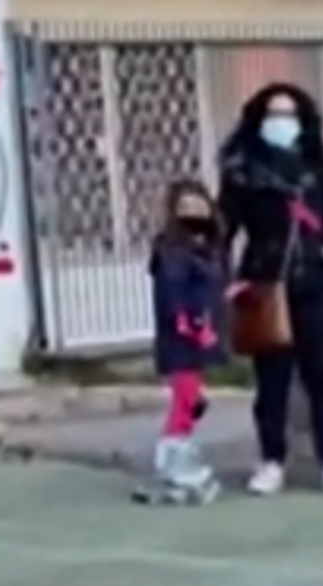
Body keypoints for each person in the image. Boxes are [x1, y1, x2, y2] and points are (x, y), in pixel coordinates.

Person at [216, 81, 323, 497]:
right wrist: (226, 280)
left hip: (314, 281)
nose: (282, 122)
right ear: (259, 119)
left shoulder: (316, 168)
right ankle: (271, 460)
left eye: (289, 114)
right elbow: (224, 229)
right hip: (265, 282)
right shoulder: (244, 170)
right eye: (274, 114)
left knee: (322, 374)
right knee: (271, 381)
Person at [134, 177, 225, 506]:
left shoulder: (207, 247)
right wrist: (192, 324)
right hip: (181, 340)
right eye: (185, 206)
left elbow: (211, 290)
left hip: (196, 340)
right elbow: (175, 295)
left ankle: (177, 460)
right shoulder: (173, 251)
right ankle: (171, 466)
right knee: (185, 402)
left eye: (198, 204)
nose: (194, 211)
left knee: (191, 402)